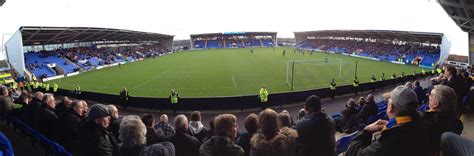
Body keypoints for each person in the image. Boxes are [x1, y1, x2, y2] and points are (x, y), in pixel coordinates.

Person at [346, 86, 430, 156]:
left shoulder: (389, 141)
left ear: (390, 107)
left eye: (389, 101)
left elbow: (352, 153)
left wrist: (366, 131)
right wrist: (394, 126)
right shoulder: (422, 123)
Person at [423, 85, 463, 155]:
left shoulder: (426, 123)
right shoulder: (455, 122)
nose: (429, 97)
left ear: (436, 104)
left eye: (431, 95)